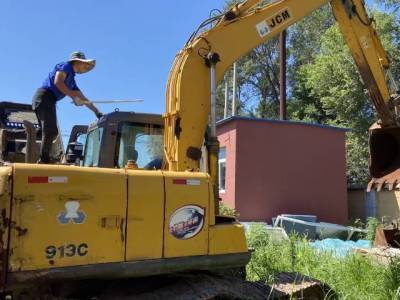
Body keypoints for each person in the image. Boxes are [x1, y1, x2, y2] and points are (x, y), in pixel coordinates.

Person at [32, 51, 102, 163]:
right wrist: (74, 98)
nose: (85, 67)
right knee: (51, 131)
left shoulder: (72, 82)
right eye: (84, 63)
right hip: (44, 97)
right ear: (77, 62)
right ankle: (43, 160)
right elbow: (58, 82)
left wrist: (97, 112)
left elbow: (84, 99)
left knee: (43, 132)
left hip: (49, 101)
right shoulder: (65, 66)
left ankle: (20, 135)